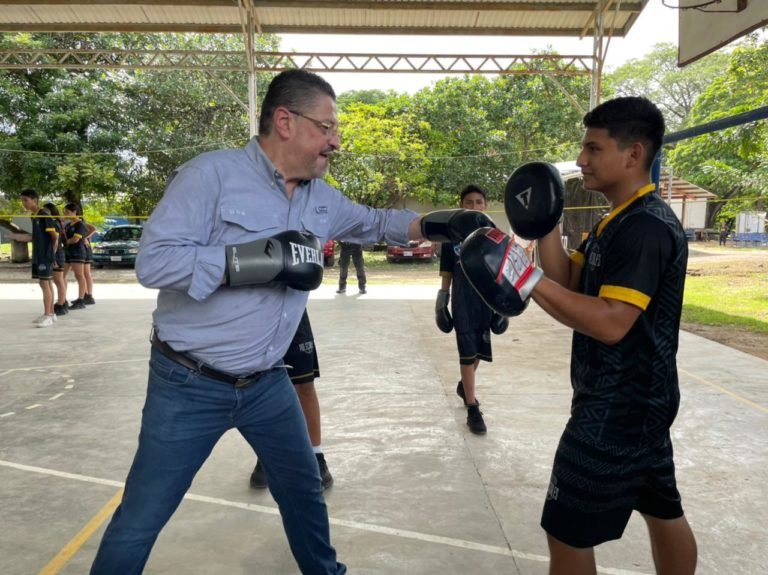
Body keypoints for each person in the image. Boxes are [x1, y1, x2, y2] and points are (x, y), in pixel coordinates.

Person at [88, 69, 490, 575]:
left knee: (303, 492)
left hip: (267, 382)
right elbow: (154, 263)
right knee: (143, 516)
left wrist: (446, 223)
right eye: (326, 128)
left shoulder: (321, 197)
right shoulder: (210, 175)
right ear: (285, 121)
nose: (335, 141)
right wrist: (252, 261)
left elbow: (375, 222)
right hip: (187, 383)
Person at [511, 97, 696, 574]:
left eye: (593, 148)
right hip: (639, 402)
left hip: (617, 409)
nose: (581, 160)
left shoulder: (645, 228)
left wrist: (525, 280)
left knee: (565, 529)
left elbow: (612, 322)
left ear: (633, 154)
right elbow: (571, 281)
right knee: (662, 507)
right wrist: (542, 223)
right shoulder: (617, 220)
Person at [436, 184, 507, 435]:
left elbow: (503, 268)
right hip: (463, 298)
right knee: (466, 348)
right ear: (461, 204)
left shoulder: (494, 234)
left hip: (487, 298)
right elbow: (446, 267)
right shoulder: (452, 232)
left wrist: (504, 306)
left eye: (479, 202)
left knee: (478, 349)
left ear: (485, 205)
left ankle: (464, 387)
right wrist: (442, 298)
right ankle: (472, 407)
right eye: (469, 202)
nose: (474, 206)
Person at [250, 309, 333, 490]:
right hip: (255, 317)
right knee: (261, 387)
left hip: (291, 315)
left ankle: (316, 456)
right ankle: (266, 455)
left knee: (305, 385)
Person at [11, 190, 58, 327]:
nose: (23, 203)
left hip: (45, 256)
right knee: (47, 283)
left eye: (25, 200)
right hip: (39, 255)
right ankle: (51, 314)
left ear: (34, 199)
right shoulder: (34, 216)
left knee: (44, 284)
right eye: (22, 200)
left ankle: (48, 315)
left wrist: (52, 256)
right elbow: (36, 237)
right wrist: (17, 237)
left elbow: (54, 238)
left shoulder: (44, 215)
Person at [42, 202, 69, 317]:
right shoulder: (56, 222)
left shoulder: (53, 223)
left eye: (45, 210)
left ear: (51, 211)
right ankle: (62, 303)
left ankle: (61, 304)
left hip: (57, 254)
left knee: (58, 281)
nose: (43, 212)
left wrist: (52, 256)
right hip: (57, 253)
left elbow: (55, 240)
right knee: (59, 280)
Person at [62, 203, 89, 310]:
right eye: (64, 212)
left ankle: (81, 299)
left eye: (67, 212)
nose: (65, 214)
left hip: (78, 252)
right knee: (61, 275)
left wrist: (66, 242)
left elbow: (75, 239)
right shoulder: (68, 225)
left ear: (74, 212)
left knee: (79, 275)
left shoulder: (80, 224)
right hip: (68, 252)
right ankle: (62, 298)